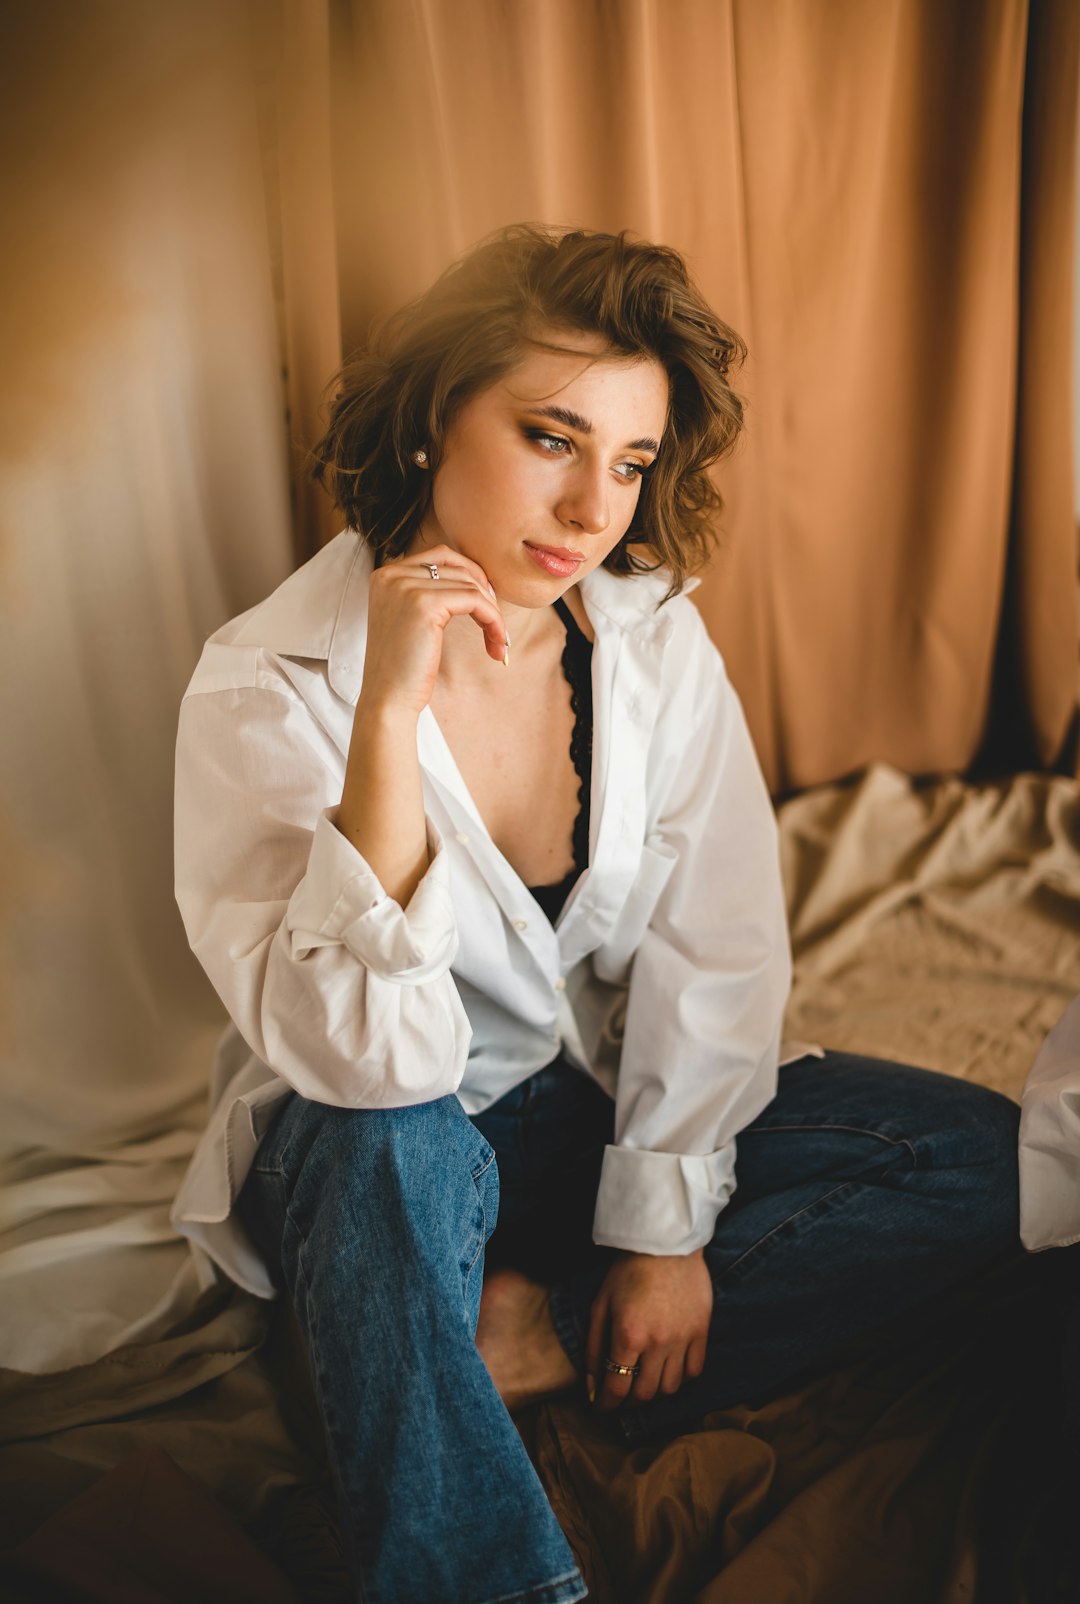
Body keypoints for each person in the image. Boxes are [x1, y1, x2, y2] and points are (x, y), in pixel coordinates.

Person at [172, 225, 1021, 1604]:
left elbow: (719, 938)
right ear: (435, 417)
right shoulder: (266, 684)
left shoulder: (648, 634)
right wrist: (387, 719)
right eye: (551, 438)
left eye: (629, 462)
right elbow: (356, 1057)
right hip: (376, 1146)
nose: (592, 513)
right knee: (385, 1138)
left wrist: (662, 1228)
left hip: (582, 1106)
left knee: (992, 1164)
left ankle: (526, 1342)